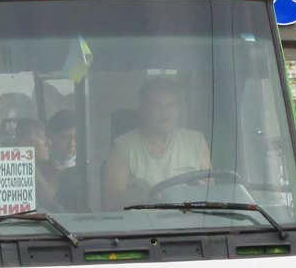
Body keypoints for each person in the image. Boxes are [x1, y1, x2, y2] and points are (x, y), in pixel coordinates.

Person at [102, 77, 210, 210]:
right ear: (142, 109)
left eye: (170, 106)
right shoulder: (122, 147)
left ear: (178, 110)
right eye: (157, 106)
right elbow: (111, 200)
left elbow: (211, 195)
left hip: (191, 226)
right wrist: (151, 198)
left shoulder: (197, 143)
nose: (165, 114)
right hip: (142, 228)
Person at [44, 109, 88, 212]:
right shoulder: (41, 168)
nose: (72, 144)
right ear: (51, 137)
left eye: (76, 139)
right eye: (66, 138)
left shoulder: (87, 170)